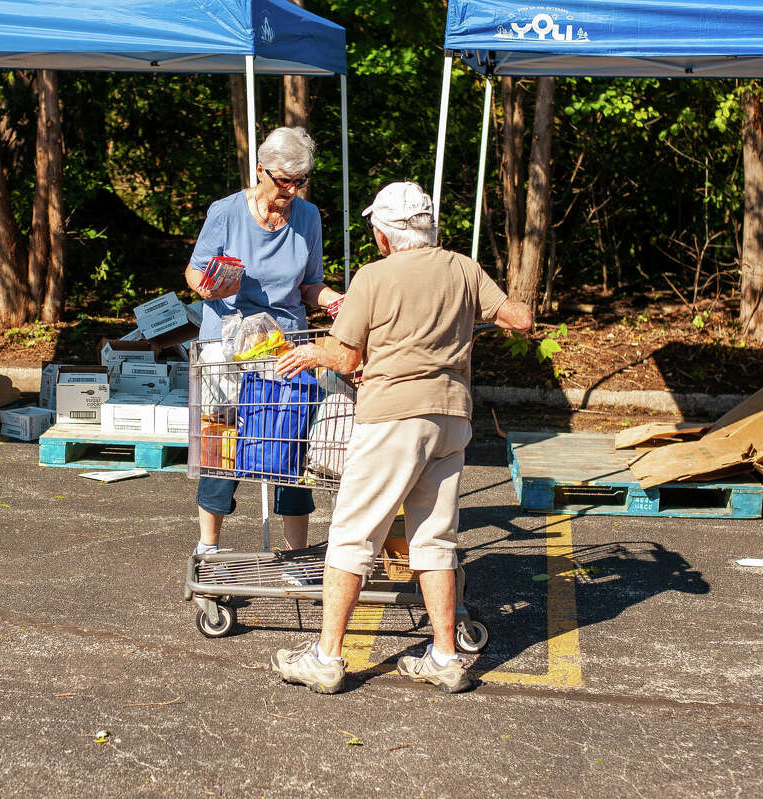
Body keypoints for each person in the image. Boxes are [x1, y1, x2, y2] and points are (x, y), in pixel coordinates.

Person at [268, 181, 533, 694]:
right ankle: (444, 656)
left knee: (352, 535)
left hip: (393, 417)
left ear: (386, 235)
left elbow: (346, 358)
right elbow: (519, 319)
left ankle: (326, 658)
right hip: (452, 417)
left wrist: (314, 352)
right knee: (434, 539)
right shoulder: (462, 267)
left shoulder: (373, 277)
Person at [185, 127, 343, 557]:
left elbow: (310, 285)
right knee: (223, 444)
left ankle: (296, 557)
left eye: (299, 182)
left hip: (284, 346)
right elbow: (195, 273)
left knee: (290, 447)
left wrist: (335, 302)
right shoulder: (226, 212)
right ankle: (209, 547)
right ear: (260, 170)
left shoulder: (308, 218)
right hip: (228, 343)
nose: (290, 191)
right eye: (283, 181)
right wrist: (210, 288)